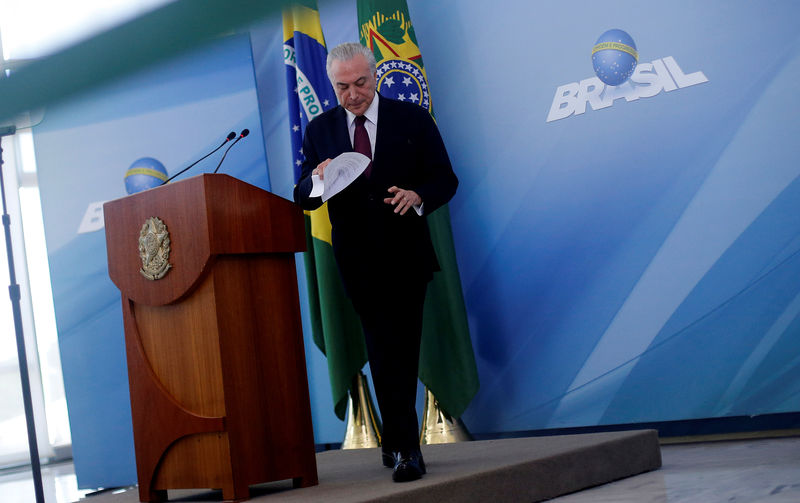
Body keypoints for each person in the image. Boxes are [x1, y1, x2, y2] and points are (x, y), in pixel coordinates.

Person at [293, 42, 458, 483]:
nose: (353, 94)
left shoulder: (411, 118)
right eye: (342, 87)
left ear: (374, 75)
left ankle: (403, 447)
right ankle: (401, 443)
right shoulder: (320, 130)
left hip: (407, 255)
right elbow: (303, 199)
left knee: (400, 349)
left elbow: (446, 178)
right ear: (332, 85)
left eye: (361, 82)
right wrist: (316, 180)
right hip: (358, 261)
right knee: (382, 348)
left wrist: (418, 195)